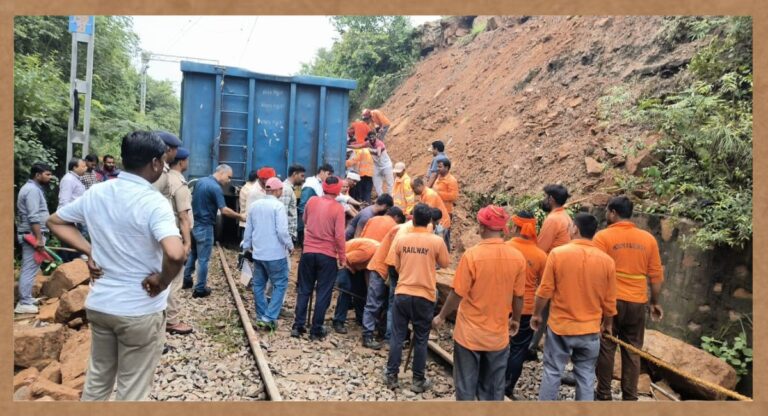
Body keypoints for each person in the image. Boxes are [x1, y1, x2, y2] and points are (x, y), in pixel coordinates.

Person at [47, 130, 185, 401]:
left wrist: (90, 250)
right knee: (131, 391)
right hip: (139, 310)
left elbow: (55, 221)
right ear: (156, 163)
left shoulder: (97, 191)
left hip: (100, 306)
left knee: (97, 381)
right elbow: (176, 254)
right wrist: (162, 281)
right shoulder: (153, 202)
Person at [433, 205, 526, 401]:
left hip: (469, 335)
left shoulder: (472, 256)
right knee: (493, 391)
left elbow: (457, 293)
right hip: (498, 337)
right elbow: (519, 296)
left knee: (466, 389)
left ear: (482, 227)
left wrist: (441, 316)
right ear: (502, 229)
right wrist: (516, 319)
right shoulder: (517, 258)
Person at [532, 213, 617, 401]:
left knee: (553, 371)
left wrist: (536, 314)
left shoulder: (558, 254)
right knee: (586, 375)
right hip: (590, 330)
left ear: (575, 229)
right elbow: (610, 301)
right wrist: (608, 324)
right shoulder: (607, 262)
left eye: (570, 226)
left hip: (561, 328)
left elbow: (545, 290)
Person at [594, 196, 665, 401]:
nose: (607, 215)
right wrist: (654, 302)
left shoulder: (603, 237)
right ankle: (630, 397)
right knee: (633, 350)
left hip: (611, 301)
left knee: (607, 346)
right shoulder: (648, 239)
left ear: (613, 213)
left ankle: (604, 393)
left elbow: (597, 272)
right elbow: (656, 275)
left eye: (608, 211)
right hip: (637, 302)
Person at [385, 203, 449, 392]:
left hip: (403, 293)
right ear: (430, 221)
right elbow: (445, 263)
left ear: (412, 219)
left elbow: (396, 266)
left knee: (397, 335)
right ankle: (418, 380)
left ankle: (391, 376)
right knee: (421, 338)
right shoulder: (436, 241)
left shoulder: (402, 240)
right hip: (424, 295)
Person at [291, 176, 347, 341]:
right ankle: (316, 329)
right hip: (327, 256)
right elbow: (339, 236)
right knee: (323, 292)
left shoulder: (312, 201)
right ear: (338, 191)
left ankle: (298, 326)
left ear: (323, 187)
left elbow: (305, 220)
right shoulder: (338, 209)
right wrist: (342, 257)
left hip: (308, 252)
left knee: (304, 290)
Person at [183, 164, 244, 298]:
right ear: (221, 173)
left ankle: (186, 280)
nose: (229, 180)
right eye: (229, 177)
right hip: (205, 226)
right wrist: (240, 216)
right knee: (204, 259)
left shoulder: (200, 182)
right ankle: (200, 289)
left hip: (195, 224)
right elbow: (224, 210)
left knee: (193, 253)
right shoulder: (215, 188)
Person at [504, 211, 548, 399]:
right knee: (517, 349)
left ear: (515, 227)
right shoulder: (540, 255)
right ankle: (507, 386)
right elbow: (543, 285)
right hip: (526, 310)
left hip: (502, 305)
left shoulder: (505, 248)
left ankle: (489, 381)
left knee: (496, 345)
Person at [528, 184, 574, 361]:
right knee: (548, 311)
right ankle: (534, 346)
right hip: (564, 271)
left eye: (545, 196)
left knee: (540, 308)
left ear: (551, 199)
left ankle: (532, 346)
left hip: (552, 271)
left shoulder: (553, 220)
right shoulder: (567, 217)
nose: (543, 200)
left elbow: (541, 249)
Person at [242, 177, 293, 332]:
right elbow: (282, 231)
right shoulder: (278, 206)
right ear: (277, 190)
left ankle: (261, 316)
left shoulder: (255, 206)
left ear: (266, 190)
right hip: (276, 254)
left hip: (259, 254)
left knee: (258, 285)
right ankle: (269, 318)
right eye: (281, 190)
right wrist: (290, 245)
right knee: (280, 284)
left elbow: (248, 229)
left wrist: (246, 246)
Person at [14, 162, 53, 314]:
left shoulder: (33, 189)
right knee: (29, 268)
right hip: (31, 235)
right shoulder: (31, 190)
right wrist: (38, 239)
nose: (50, 177)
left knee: (31, 268)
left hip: (33, 234)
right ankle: (23, 302)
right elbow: (33, 217)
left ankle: (27, 298)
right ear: (37, 175)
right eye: (47, 174)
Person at [164, 147, 194, 335]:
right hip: (175, 234)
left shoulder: (164, 179)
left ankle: (163, 317)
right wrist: (187, 243)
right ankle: (172, 320)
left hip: (164, 233)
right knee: (174, 280)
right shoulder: (179, 183)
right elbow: (183, 216)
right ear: (182, 162)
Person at [332, 237, 380, 334]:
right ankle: (338, 321)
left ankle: (361, 318)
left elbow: (368, 271)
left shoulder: (377, 253)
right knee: (346, 288)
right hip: (342, 260)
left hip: (355, 265)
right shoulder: (368, 252)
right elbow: (346, 259)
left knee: (361, 290)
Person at [297, 163, 334, 245]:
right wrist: (306, 223)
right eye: (328, 174)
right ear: (321, 172)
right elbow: (303, 205)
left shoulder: (320, 184)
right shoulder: (311, 184)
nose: (329, 177)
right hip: (308, 223)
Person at [433, 158, 459, 251]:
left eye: (440, 167)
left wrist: (438, 194)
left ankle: (446, 255)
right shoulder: (438, 178)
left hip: (446, 212)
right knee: (437, 234)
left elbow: (454, 196)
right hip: (436, 211)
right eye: (437, 166)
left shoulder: (451, 180)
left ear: (447, 168)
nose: (437, 168)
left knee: (445, 234)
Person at [281, 164, 306, 244]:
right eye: (302, 176)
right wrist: (287, 238)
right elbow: (282, 214)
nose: (303, 179)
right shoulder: (286, 189)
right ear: (294, 174)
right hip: (286, 235)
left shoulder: (288, 189)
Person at [365, 132, 395, 196]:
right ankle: (380, 198)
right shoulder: (367, 143)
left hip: (386, 165)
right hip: (376, 166)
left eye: (373, 137)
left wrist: (378, 154)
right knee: (376, 184)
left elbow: (379, 151)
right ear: (368, 138)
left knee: (390, 183)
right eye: (370, 138)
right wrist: (348, 146)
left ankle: (391, 198)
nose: (371, 139)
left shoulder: (379, 143)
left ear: (376, 137)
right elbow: (358, 146)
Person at [238, 170, 259, 238]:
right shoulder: (252, 190)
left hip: (244, 220)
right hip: (249, 222)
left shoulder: (245, 187)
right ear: (257, 178)